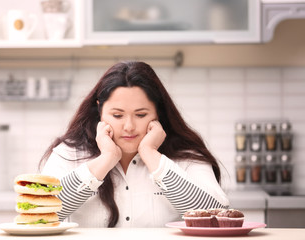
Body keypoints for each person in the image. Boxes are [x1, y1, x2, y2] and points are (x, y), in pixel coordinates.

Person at [39, 61, 229, 228]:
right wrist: (105, 160)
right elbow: (39, 215)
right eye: (117, 115)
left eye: (140, 115)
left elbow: (217, 217)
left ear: (157, 113)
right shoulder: (69, 153)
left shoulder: (186, 155)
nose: (129, 127)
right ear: (100, 110)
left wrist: (151, 155)